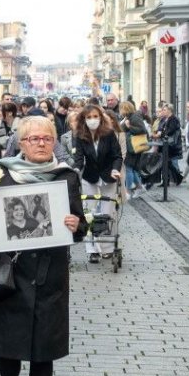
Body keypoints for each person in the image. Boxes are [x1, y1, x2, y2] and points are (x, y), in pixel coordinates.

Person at [0, 116, 87, 376]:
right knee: (7, 344)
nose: (40, 143)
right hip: (9, 271)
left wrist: (75, 225)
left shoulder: (66, 176)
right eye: (33, 139)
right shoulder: (0, 173)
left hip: (50, 275)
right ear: (21, 143)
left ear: (54, 142)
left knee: (44, 350)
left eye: (46, 138)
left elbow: (80, 225)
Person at [73, 104, 122, 264]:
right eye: (89, 117)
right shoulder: (80, 136)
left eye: (95, 116)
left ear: (100, 117)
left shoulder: (108, 134)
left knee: (107, 212)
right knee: (90, 213)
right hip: (90, 177)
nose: (92, 120)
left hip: (108, 176)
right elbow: (79, 158)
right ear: (84, 119)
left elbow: (117, 156)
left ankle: (106, 249)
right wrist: (76, 169)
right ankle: (92, 249)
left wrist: (115, 170)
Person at [119, 102, 148, 198]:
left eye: (121, 109)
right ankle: (139, 187)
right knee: (132, 169)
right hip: (130, 146)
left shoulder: (134, 117)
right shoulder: (128, 117)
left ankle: (127, 191)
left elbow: (142, 130)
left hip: (133, 147)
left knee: (128, 168)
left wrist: (129, 127)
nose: (120, 111)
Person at [151, 103, 183, 186]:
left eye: (164, 110)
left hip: (170, 145)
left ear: (169, 110)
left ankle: (171, 179)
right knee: (167, 163)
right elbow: (162, 129)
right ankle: (171, 179)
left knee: (166, 163)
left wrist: (160, 134)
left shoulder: (173, 119)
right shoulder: (166, 119)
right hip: (165, 144)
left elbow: (169, 131)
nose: (163, 111)